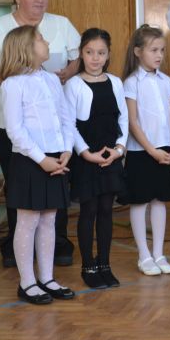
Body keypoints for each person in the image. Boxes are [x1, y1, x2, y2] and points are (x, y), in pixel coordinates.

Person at [0, 0, 79, 268]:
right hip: (11, 123)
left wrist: (65, 73)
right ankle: (16, 244)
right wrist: (20, 77)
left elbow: (76, 58)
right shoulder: (0, 27)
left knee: (57, 182)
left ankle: (57, 242)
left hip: (51, 125)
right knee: (18, 184)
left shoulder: (61, 24)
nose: (40, 0)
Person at [0, 25, 76, 304]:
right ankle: (27, 282)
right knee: (28, 220)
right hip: (31, 160)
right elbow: (15, 130)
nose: (46, 43)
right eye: (41, 39)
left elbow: (65, 118)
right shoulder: (13, 84)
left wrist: (66, 149)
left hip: (56, 157)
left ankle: (47, 278)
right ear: (27, 48)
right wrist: (42, 159)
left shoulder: (53, 80)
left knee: (49, 219)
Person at [64, 29, 127, 289]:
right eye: (89, 52)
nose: (95, 58)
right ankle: (88, 266)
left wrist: (119, 149)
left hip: (110, 156)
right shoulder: (73, 85)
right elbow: (70, 125)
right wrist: (86, 153)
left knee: (106, 211)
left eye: (101, 53)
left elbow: (123, 117)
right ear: (81, 53)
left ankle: (104, 263)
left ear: (108, 54)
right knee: (88, 211)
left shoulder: (116, 82)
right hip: (87, 158)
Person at [121, 25, 170, 276]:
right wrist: (151, 151)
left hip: (163, 147)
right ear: (138, 52)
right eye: (153, 50)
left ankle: (159, 253)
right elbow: (133, 122)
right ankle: (144, 255)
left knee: (159, 200)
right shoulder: (131, 82)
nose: (159, 55)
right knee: (140, 201)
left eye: (162, 50)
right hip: (141, 151)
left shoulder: (165, 80)